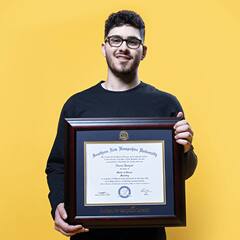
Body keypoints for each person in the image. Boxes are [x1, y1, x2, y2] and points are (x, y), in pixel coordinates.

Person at [46, 10, 197, 240]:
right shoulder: (77, 106)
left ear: (143, 51)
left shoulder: (165, 104)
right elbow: (57, 165)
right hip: (89, 234)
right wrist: (58, 203)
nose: (123, 47)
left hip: (148, 235)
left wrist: (186, 149)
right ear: (104, 47)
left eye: (133, 41)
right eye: (115, 39)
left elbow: (181, 173)